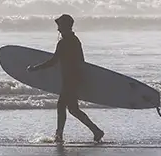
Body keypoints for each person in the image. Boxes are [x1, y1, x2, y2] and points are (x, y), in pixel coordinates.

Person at [27, 14, 105, 144]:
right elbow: (81, 61)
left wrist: (36, 68)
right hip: (74, 78)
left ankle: (59, 135)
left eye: (59, 26)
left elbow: (53, 61)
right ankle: (95, 131)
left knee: (62, 106)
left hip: (70, 79)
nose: (58, 29)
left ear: (65, 26)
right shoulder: (75, 40)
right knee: (73, 109)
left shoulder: (64, 42)